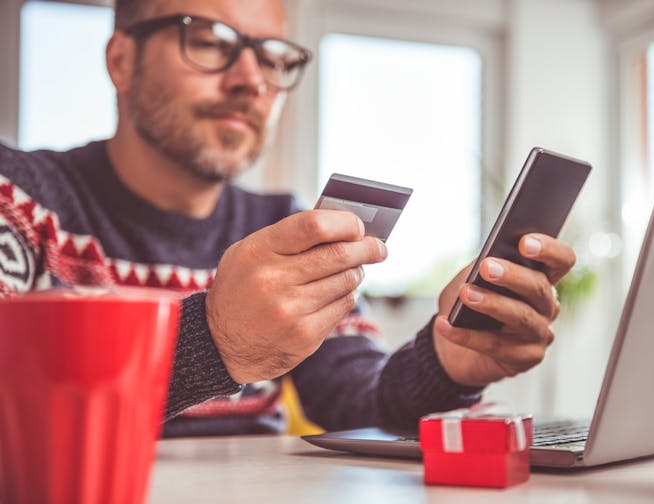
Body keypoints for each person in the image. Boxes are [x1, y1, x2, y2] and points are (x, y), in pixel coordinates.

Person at [0, 0, 575, 436]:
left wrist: (449, 362)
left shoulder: (284, 225)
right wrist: (214, 339)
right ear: (121, 61)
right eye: (208, 40)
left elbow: (358, 400)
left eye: (274, 57)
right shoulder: (21, 196)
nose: (253, 80)